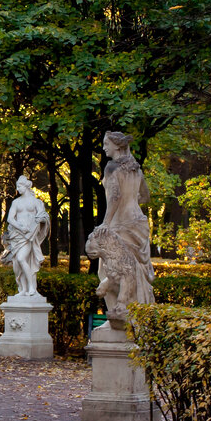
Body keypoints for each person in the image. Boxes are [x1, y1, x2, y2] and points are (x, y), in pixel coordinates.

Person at [87, 131, 154, 324]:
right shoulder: (135, 169)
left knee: (108, 270)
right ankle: (138, 314)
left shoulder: (112, 167)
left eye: (106, 144)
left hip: (120, 223)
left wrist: (106, 224)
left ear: (117, 146)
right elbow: (145, 196)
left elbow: (115, 198)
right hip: (138, 222)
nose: (104, 147)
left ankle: (118, 319)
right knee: (134, 270)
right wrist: (133, 200)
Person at [0, 175, 50, 296]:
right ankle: (23, 289)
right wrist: (21, 227)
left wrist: (39, 221)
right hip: (18, 235)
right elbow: (10, 219)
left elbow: (43, 216)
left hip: (29, 236)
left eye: (20, 186)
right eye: (17, 186)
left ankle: (32, 288)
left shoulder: (37, 202)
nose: (18, 188)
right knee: (17, 264)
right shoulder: (16, 202)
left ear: (26, 186)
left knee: (22, 259)